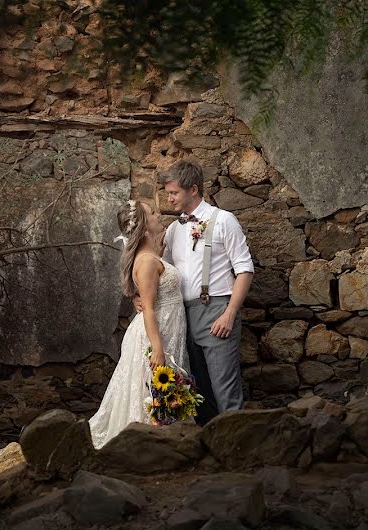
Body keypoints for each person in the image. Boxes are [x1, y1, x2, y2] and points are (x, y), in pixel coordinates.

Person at [159, 159, 254, 425]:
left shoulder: (224, 220)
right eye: (168, 193)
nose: (169, 198)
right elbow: (161, 271)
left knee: (226, 391)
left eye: (174, 192)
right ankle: (211, 452)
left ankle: (239, 451)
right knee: (198, 393)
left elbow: (245, 269)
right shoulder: (172, 230)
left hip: (216, 311)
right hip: (183, 316)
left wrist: (229, 314)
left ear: (193, 190)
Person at [88, 199, 189, 449]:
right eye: (152, 213)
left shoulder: (152, 256)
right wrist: (157, 348)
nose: (158, 214)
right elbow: (149, 308)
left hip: (168, 328)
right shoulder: (145, 262)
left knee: (162, 390)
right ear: (144, 228)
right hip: (155, 333)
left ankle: (164, 440)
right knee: (150, 389)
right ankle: (146, 444)